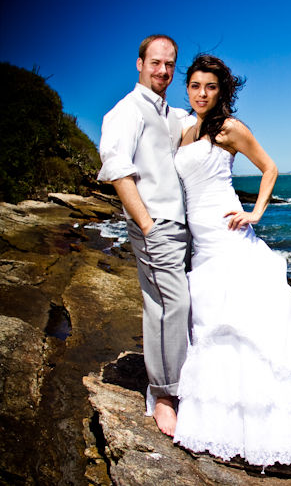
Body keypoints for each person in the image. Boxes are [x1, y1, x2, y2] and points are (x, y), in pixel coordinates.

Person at [172, 54, 291, 470]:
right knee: (212, 325)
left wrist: (256, 212)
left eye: (210, 87)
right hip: (202, 244)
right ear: (188, 88)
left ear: (222, 90)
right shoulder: (185, 130)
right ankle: (218, 424)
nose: (202, 93)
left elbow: (269, 167)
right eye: (195, 85)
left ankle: (268, 434)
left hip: (230, 237)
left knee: (243, 328)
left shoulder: (229, 128)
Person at [97, 34, 193, 437]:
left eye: (170, 64)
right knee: (170, 305)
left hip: (181, 226)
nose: (163, 71)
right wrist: (147, 225)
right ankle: (165, 397)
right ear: (139, 64)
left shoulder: (171, 113)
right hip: (155, 224)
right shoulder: (127, 110)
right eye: (155, 63)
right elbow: (117, 167)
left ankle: (181, 385)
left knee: (175, 305)